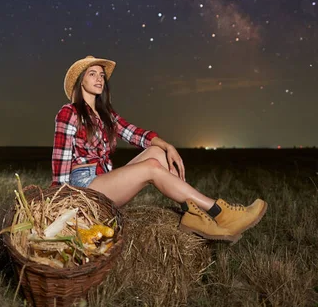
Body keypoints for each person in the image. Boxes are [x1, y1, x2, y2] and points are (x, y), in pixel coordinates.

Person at [51, 55, 267, 243]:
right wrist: (60, 209)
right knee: (152, 167)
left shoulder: (106, 114)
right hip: (84, 189)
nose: (99, 78)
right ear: (80, 81)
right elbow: (60, 164)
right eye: (92, 74)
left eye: (101, 74)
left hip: (105, 181)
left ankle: (192, 214)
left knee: (157, 153)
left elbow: (134, 134)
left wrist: (167, 146)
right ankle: (219, 212)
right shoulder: (68, 113)